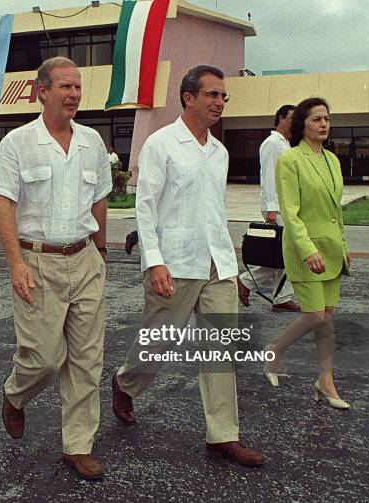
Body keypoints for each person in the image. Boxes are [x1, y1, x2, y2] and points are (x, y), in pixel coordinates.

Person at [111, 65, 264, 467]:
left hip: (216, 265)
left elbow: (215, 211)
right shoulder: (161, 144)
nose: (219, 102)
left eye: (223, 96)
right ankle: (126, 382)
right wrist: (154, 261)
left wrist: (232, 265)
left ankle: (222, 436)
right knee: (158, 343)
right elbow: (144, 208)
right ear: (188, 97)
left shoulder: (220, 151)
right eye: (212, 95)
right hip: (173, 263)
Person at [0, 57, 112, 481]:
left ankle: (78, 445)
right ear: (41, 91)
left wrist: (100, 250)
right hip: (36, 261)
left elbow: (100, 196)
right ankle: (15, 393)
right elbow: (4, 204)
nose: (74, 94)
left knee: (86, 359)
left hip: (84, 259)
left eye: (78, 87)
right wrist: (16, 264)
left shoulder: (92, 142)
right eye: (65, 86)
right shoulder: (17, 143)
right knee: (43, 357)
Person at [265, 98, 351, 409]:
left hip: (331, 249)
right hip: (306, 251)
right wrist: (308, 249)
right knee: (314, 315)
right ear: (302, 124)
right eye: (316, 119)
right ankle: (274, 351)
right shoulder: (290, 160)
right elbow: (291, 211)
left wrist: (343, 244)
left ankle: (325, 381)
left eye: (326, 118)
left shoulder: (332, 160)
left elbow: (335, 211)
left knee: (327, 317)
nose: (324, 124)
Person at [237, 104, 300, 312]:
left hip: (287, 206)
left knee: (284, 254)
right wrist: (271, 210)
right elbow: (269, 178)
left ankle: (281, 297)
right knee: (284, 253)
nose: (295, 122)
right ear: (281, 118)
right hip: (277, 207)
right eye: (291, 118)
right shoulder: (272, 144)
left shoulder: (285, 144)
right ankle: (246, 281)